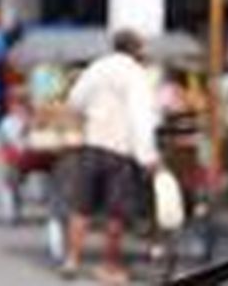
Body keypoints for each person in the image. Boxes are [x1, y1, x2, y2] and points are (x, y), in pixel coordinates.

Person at [60, 29, 160, 284]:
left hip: (93, 143)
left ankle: (72, 259)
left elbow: (75, 100)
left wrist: (95, 114)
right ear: (136, 50)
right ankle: (110, 266)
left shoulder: (97, 68)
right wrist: (147, 156)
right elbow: (141, 117)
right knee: (115, 211)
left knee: (81, 206)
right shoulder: (135, 75)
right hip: (119, 149)